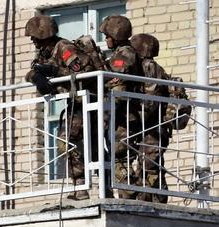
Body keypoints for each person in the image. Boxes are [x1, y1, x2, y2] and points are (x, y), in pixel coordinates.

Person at [24, 15, 104, 196]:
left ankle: (99, 186)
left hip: (91, 99)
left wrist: (56, 72)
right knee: (68, 141)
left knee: (81, 142)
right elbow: (32, 70)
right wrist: (35, 77)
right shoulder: (45, 51)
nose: (32, 40)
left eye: (34, 36)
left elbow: (85, 71)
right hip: (76, 102)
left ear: (43, 34)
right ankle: (80, 187)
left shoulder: (64, 48)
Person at [130, 33, 191, 203]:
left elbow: (149, 101)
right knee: (150, 165)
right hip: (153, 127)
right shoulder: (148, 67)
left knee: (150, 165)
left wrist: (134, 119)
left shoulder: (149, 67)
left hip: (153, 127)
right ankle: (151, 197)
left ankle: (155, 200)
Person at [100, 15, 144, 199]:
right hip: (119, 116)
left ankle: (131, 196)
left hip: (125, 117)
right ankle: (127, 194)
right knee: (117, 158)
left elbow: (117, 83)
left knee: (120, 157)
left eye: (107, 35)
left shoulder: (124, 54)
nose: (105, 39)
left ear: (116, 35)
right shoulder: (119, 53)